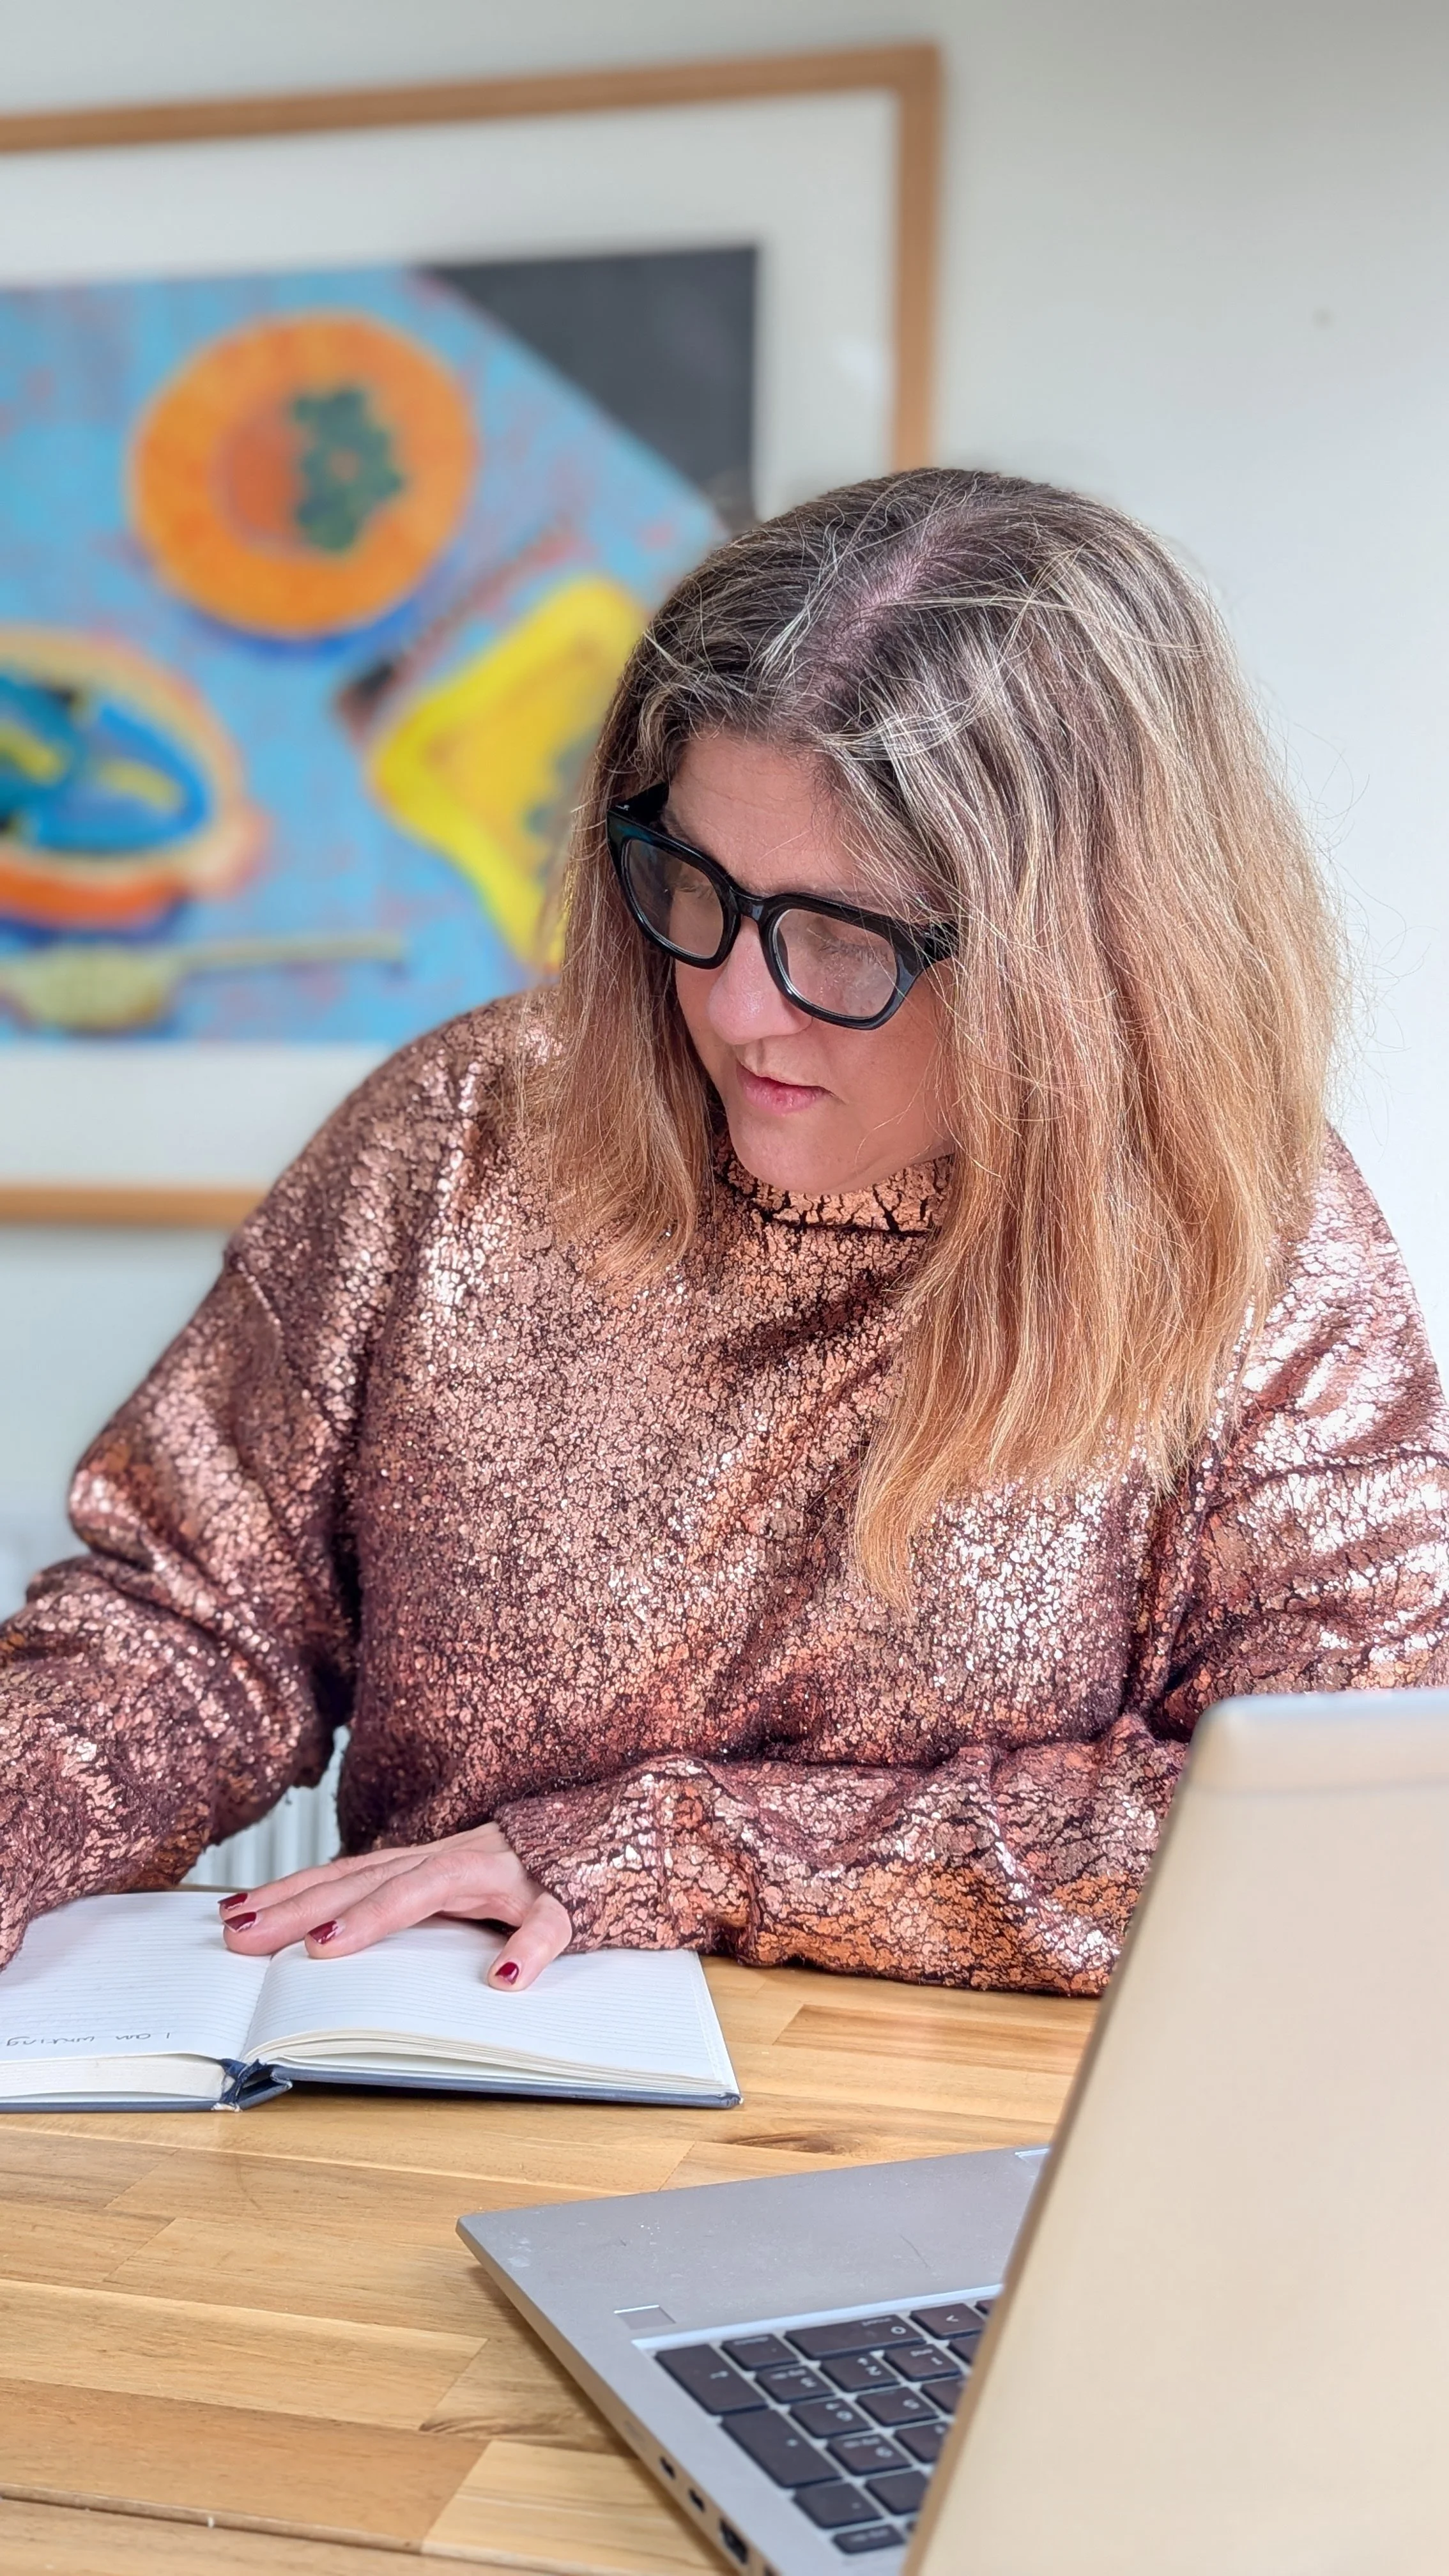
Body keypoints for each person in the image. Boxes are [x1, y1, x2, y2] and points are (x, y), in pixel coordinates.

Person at [2, 468, 1446, 1998]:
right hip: (438, 2084)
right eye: (694, 884)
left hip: (962, 2136)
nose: (739, 1005)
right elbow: (192, 1618)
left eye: (846, 934)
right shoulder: (465, 1133)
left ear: (1083, 958)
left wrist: (674, 1847)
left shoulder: (1244, 1240)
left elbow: (1340, 1823)